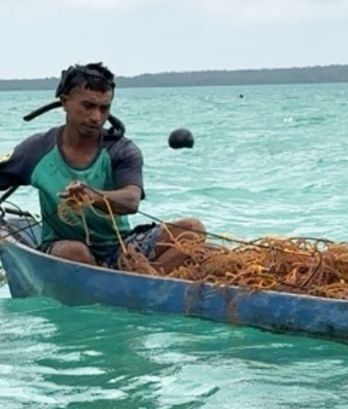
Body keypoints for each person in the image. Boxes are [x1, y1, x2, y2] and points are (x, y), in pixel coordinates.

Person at [0, 62, 205, 273]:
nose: (97, 117)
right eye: (88, 106)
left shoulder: (121, 150)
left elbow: (131, 201)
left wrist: (93, 196)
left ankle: (146, 279)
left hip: (118, 247)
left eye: (104, 108)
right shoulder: (37, 149)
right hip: (63, 249)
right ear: (65, 102)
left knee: (192, 230)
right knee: (76, 251)